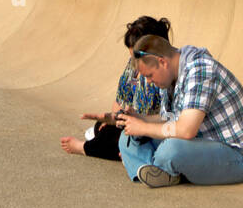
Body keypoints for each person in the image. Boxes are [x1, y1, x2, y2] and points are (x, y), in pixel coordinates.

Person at [117, 35, 243, 188]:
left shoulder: (201, 70)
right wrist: (140, 119)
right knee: (128, 137)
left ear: (162, 62)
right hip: (201, 145)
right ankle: (159, 172)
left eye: (149, 75)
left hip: (239, 156)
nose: (148, 81)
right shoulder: (170, 77)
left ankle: (159, 168)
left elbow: (185, 130)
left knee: (170, 150)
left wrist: (144, 128)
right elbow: (169, 120)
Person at [60, 16, 171, 160]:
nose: (135, 63)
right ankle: (112, 143)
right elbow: (120, 100)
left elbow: (167, 118)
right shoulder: (134, 67)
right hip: (130, 123)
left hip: (150, 132)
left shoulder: (164, 75)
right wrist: (115, 120)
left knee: (114, 137)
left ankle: (85, 148)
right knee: (102, 125)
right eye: (132, 57)